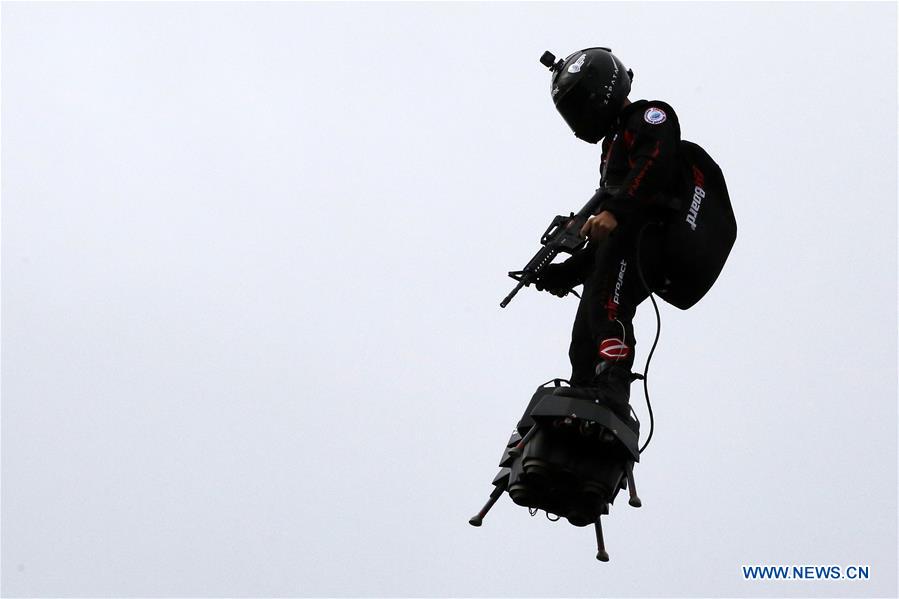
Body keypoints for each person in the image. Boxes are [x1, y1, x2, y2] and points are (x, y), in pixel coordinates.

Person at [534, 48, 681, 420]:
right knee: (586, 325)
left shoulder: (648, 116)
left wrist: (614, 211)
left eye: (580, 105)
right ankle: (582, 394)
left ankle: (612, 388)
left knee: (607, 306)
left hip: (650, 233)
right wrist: (566, 272)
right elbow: (605, 238)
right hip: (623, 240)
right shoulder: (610, 146)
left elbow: (654, 162)